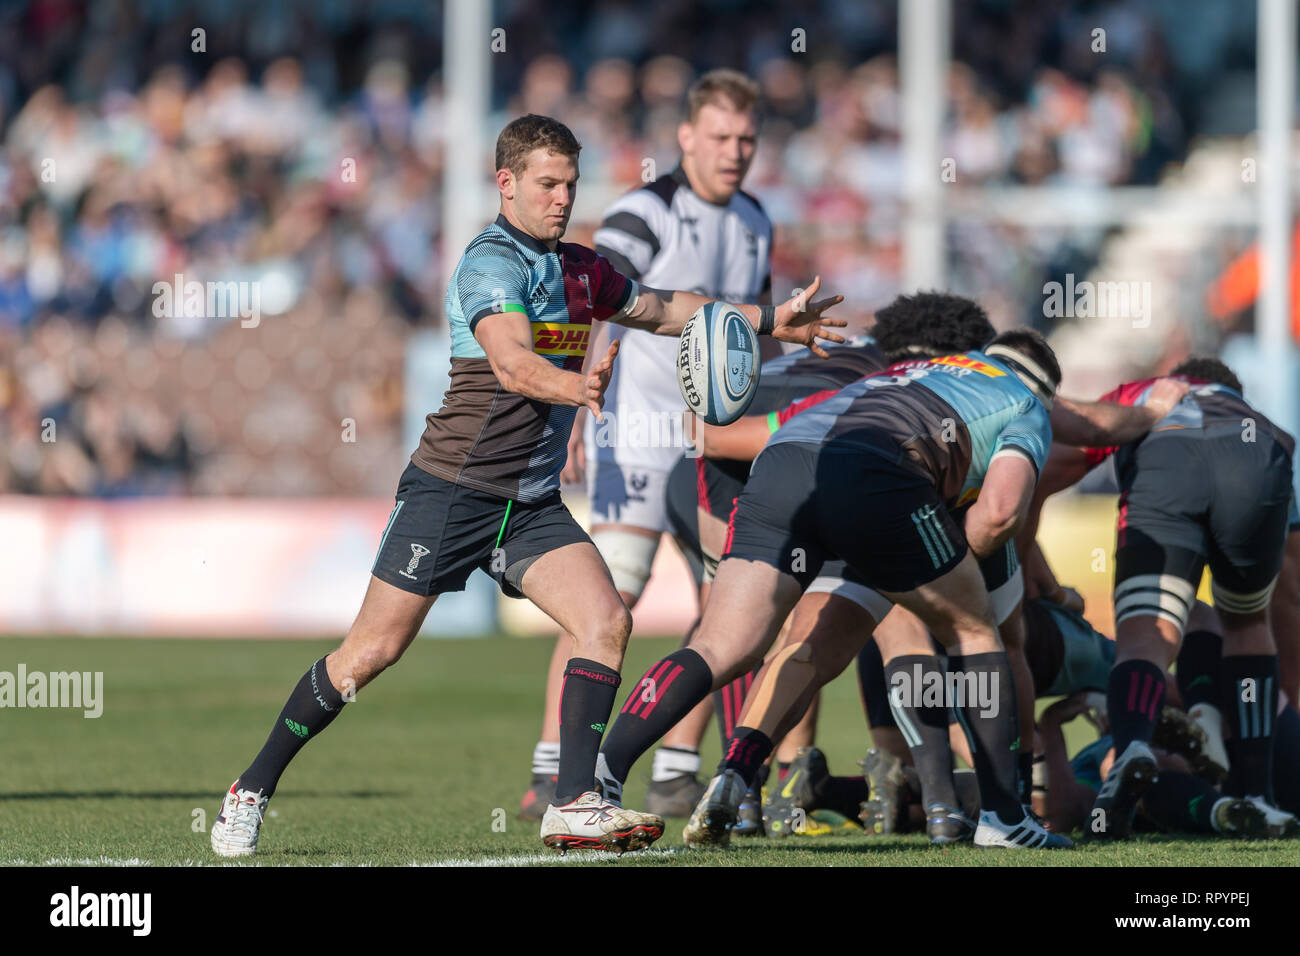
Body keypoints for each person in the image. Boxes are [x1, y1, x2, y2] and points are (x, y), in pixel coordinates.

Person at [210, 113, 844, 857]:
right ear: (506, 183)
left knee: (606, 620)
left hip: (531, 504)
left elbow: (669, 309)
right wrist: (581, 391)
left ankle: (574, 802)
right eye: (547, 184)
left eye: (570, 185)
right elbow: (511, 363)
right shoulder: (489, 264)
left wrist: (771, 318)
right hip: (453, 492)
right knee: (369, 654)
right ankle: (250, 788)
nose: (561, 199)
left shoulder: (582, 268)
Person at [595, 327, 1075, 849]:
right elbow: (1001, 513)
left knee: (721, 646)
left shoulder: (910, 373)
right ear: (1047, 389)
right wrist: (942, 560)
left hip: (783, 461)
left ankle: (603, 771)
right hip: (876, 478)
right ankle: (1003, 818)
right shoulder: (1025, 400)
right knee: (973, 628)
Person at [520, 69, 776, 821]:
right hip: (635, 435)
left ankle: (672, 768)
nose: (735, 152)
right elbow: (598, 300)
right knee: (606, 601)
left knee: (723, 609)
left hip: (713, 444)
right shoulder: (646, 210)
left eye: (748, 139)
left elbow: (743, 335)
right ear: (687, 137)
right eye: (721, 137)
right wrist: (576, 403)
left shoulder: (758, 218)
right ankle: (551, 770)